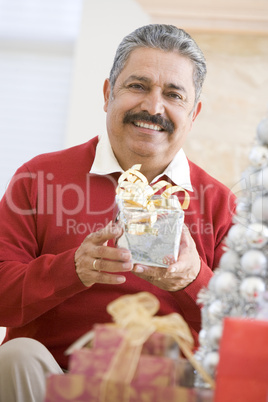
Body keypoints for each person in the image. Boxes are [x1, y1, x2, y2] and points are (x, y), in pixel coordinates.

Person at [0, 24, 236, 401]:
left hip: (166, 387)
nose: (153, 107)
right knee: (15, 356)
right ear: (109, 93)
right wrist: (72, 269)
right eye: (138, 86)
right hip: (53, 376)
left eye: (173, 94)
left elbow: (246, 331)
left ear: (194, 112)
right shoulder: (39, 178)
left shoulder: (221, 204)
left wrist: (193, 280)